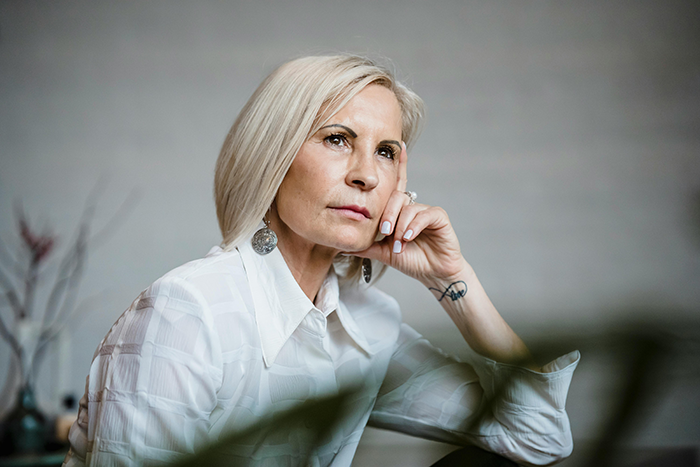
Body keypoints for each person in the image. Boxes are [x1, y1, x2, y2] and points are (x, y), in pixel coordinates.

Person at [62, 54, 579, 467]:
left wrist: (452, 278)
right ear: (273, 157)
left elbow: (535, 436)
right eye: (337, 139)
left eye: (386, 151)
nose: (366, 175)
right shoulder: (186, 312)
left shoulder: (365, 325)